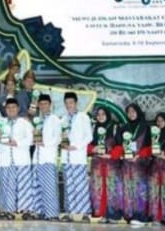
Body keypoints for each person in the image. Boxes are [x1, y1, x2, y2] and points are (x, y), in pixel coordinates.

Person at [0, 98, 35, 220]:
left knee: (24, 186)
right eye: (8, 108)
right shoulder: (0, 123)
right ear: (5, 110)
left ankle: (26, 211)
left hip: (21, 159)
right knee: (7, 186)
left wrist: (17, 143)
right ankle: (8, 211)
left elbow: (31, 139)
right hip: (6, 160)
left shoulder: (25, 123)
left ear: (18, 109)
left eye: (13, 108)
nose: (11, 110)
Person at [116, 103, 151, 226]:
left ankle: (141, 216)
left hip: (140, 164)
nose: (131, 114)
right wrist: (121, 154)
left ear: (138, 112)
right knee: (128, 188)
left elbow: (150, 146)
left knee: (140, 189)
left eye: (133, 111)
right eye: (129, 112)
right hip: (126, 164)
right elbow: (118, 144)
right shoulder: (123, 127)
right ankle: (129, 215)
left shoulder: (145, 127)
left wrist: (138, 156)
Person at [59, 92, 92, 223]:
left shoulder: (83, 117)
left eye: (71, 102)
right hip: (66, 157)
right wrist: (61, 143)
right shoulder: (63, 119)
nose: (69, 105)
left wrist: (76, 146)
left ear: (76, 103)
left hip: (78, 157)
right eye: (66, 103)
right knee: (68, 185)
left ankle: (84, 214)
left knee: (80, 186)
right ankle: (70, 213)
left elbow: (89, 137)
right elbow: (60, 136)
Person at [87, 106, 123, 223]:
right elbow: (88, 144)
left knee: (111, 188)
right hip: (97, 164)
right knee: (99, 188)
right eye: (98, 114)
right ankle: (101, 214)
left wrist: (111, 155)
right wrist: (93, 149)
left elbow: (120, 145)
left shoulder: (115, 127)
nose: (100, 116)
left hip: (111, 164)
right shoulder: (94, 128)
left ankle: (113, 215)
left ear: (107, 115)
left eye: (103, 114)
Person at [31, 94, 62, 221]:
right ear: (38, 105)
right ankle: (40, 211)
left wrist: (46, 143)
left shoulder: (55, 119)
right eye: (41, 104)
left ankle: (52, 214)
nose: (43, 106)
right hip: (37, 158)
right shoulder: (38, 120)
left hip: (48, 157)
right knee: (38, 186)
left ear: (50, 105)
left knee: (50, 187)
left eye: (46, 104)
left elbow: (58, 138)